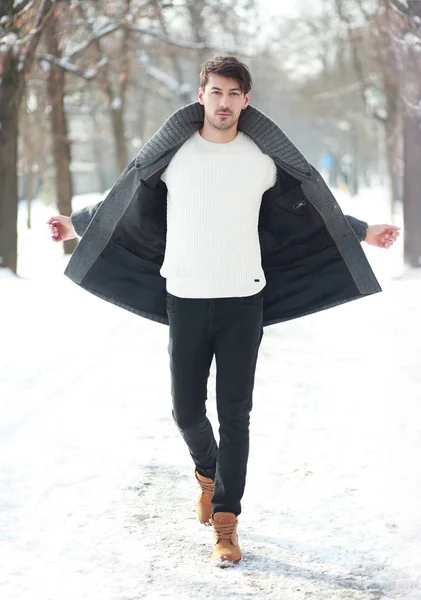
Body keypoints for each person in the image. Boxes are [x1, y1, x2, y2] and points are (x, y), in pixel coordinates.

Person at [47, 55, 400, 567]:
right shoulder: (174, 155)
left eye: (234, 93)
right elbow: (124, 203)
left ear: (246, 100)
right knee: (186, 410)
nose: (225, 102)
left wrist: (363, 230)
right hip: (185, 298)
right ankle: (209, 475)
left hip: (243, 300)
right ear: (201, 95)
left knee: (236, 415)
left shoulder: (261, 158)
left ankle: (227, 522)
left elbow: (309, 209)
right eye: (216, 92)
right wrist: (74, 224)